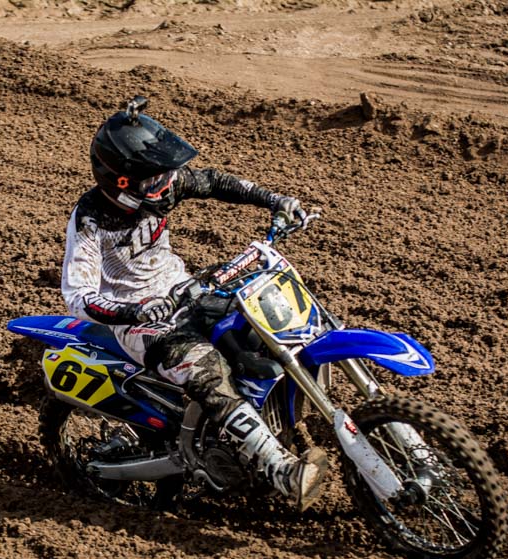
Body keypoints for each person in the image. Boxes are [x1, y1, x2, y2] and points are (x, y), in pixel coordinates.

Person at [60, 95, 328, 511]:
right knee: (207, 369)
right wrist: (134, 311)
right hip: (138, 320)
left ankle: (266, 422)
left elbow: (214, 182)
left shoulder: (158, 187)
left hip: (184, 290)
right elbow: (78, 296)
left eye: (166, 175)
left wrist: (274, 200)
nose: (166, 184)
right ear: (121, 181)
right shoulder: (91, 220)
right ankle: (280, 470)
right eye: (154, 179)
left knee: (258, 326)